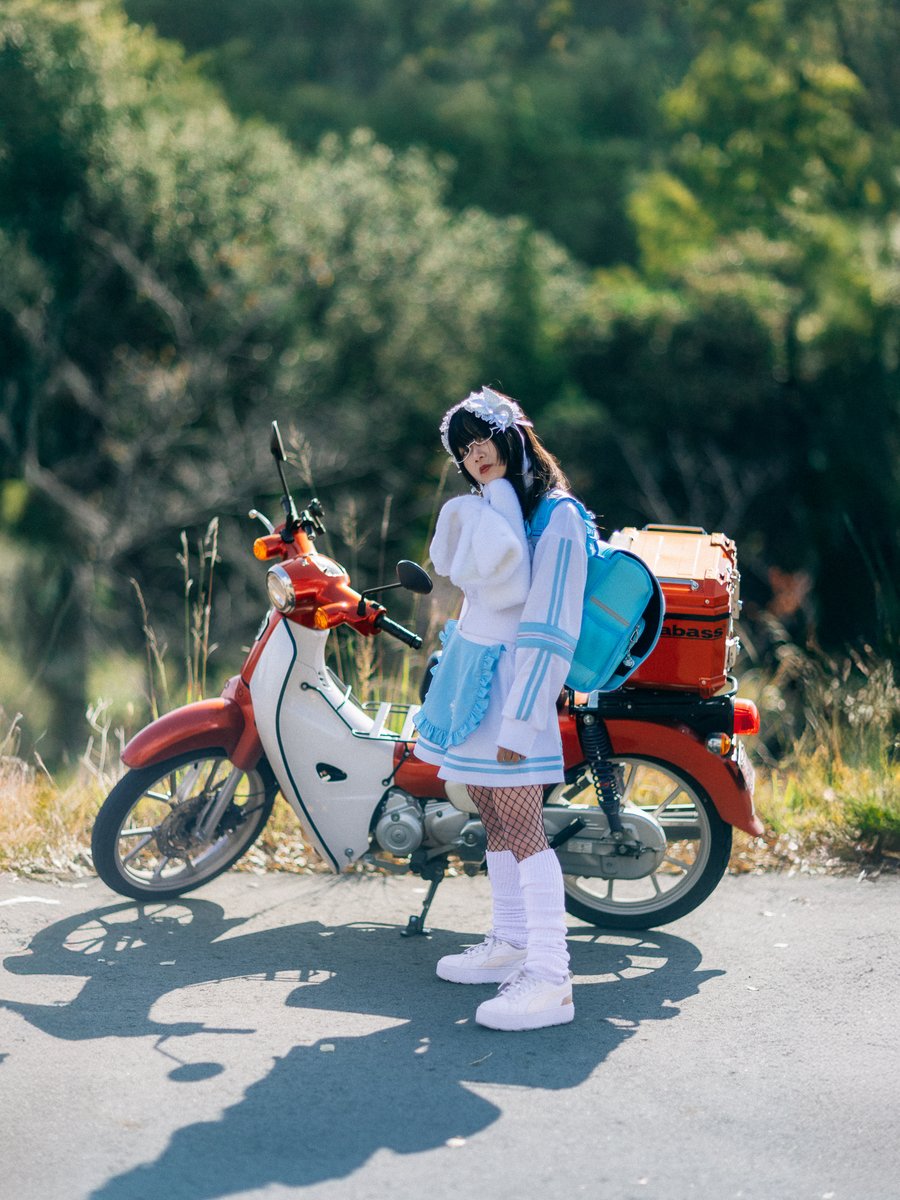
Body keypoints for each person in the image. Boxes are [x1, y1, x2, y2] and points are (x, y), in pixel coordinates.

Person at [413, 385, 591, 1031]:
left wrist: (523, 717)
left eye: (482, 438)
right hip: (478, 689)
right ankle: (510, 941)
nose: (474, 454)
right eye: (463, 448)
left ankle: (551, 978)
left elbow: (552, 627)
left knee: (521, 826)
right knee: (491, 814)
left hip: (519, 696)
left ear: (513, 436)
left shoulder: (558, 517)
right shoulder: (501, 506)